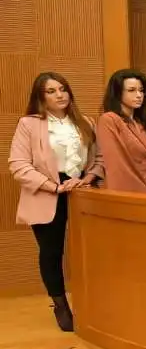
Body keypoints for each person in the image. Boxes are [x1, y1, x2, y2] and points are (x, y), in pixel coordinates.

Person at [8, 72, 104, 331]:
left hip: (81, 191)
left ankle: (93, 303)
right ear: (40, 97)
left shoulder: (85, 122)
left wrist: (87, 178)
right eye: (51, 91)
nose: (60, 95)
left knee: (91, 252)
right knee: (52, 253)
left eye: (63, 89)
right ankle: (61, 305)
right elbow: (18, 165)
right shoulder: (29, 124)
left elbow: (99, 160)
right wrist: (55, 186)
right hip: (47, 193)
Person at [97, 69, 146, 194]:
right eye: (131, 90)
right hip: (130, 190)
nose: (139, 95)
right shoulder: (109, 119)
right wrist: (145, 193)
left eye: (141, 90)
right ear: (117, 93)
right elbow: (117, 165)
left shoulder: (142, 122)